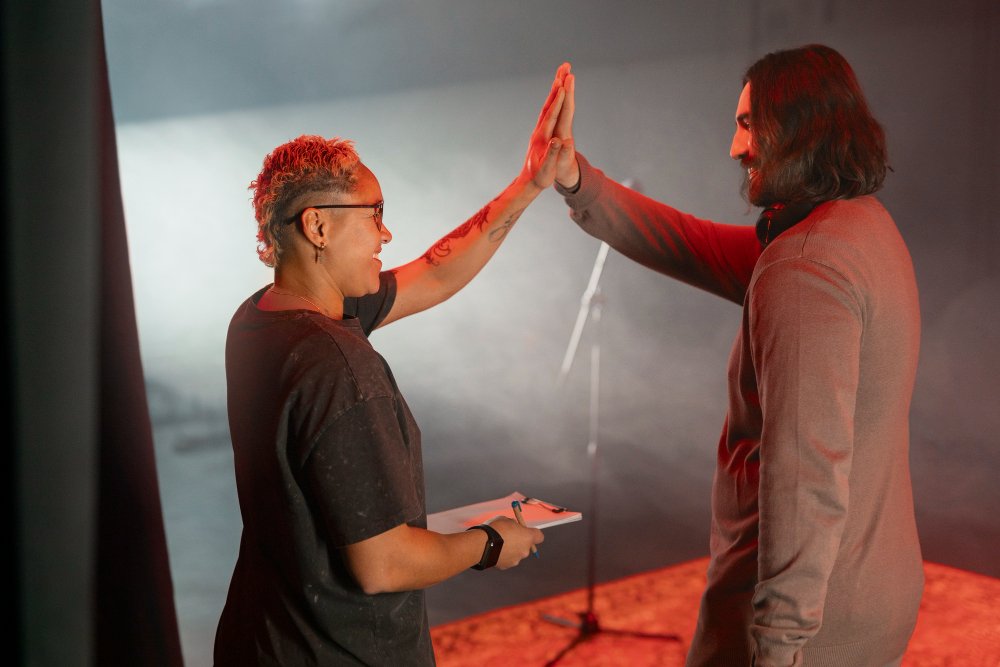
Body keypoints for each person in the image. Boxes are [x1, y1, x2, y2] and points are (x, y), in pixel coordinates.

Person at [551, 45, 923, 666]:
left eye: (748, 124)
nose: (734, 146)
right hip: (871, 589)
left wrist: (775, 645)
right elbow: (688, 242)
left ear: (798, 126)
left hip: (806, 625)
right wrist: (575, 178)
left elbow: (805, 478)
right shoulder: (856, 227)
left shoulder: (805, 269)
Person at [214, 64, 575, 666]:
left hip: (263, 640)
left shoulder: (258, 319)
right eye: (374, 214)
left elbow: (435, 271)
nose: (387, 233)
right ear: (319, 225)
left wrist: (530, 182)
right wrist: (489, 544)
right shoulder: (339, 367)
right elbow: (382, 564)